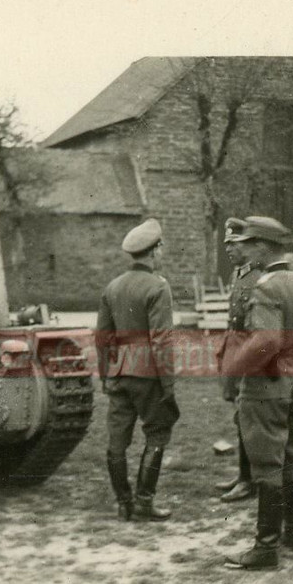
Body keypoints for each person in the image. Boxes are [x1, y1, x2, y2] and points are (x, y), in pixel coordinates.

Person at [223, 216, 293, 570]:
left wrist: (234, 366)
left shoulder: (267, 286)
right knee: (288, 458)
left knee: (268, 466)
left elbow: (266, 341)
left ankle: (266, 548)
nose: (245, 250)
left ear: (263, 247)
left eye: (249, 244)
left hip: (265, 387)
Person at [96, 218, 179, 522]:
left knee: (117, 440)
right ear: (154, 251)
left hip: (118, 373)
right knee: (157, 433)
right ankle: (144, 502)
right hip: (148, 374)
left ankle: (123, 503)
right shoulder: (158, 287)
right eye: (161, 248)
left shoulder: (113, 286)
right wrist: (168, 384)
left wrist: (105, 374)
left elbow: (102, 338)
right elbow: (161, 340)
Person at [215, 217, 262, 502]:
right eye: (227, 244)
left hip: (250, 355)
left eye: (233, 244)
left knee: (248, 418)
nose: (229, 249)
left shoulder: (257, 277)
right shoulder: (240, 274)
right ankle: (245, 475)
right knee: (240, 416)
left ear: (246, 244)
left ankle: (250, 479)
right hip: (237, 351)